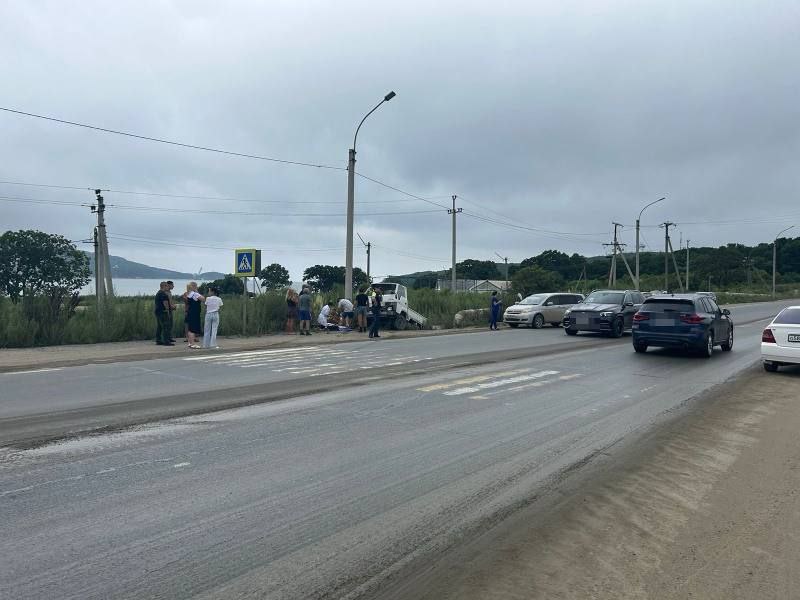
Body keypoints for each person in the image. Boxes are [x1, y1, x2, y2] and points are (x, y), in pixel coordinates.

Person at [183, 281, 205, 348]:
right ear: (194, 287)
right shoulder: (195, 294)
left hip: (190, 312)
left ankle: (190, 342)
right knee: (193, 328)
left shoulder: (189, 294)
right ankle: (193, 344)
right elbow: (203, 299)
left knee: (190, 328)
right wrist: (197, 291)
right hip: (195, 313)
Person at [154, 282, 173, 346]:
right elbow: (165, 303)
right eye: (167, 286)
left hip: (158, 312)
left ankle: (158, 340)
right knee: (166, 327)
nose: (168, 288)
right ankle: (166, 341)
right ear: (164, 286)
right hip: (163, 312)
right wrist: (167, 311)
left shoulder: (158, 293)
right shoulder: (163, 294)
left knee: (159, 327)